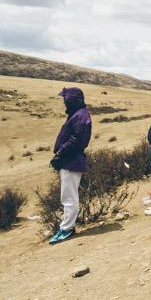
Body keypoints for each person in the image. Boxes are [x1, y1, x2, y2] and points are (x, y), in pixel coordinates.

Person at [48, 87, 92, 245]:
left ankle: (67, 229)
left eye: (67, 100)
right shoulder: (79, 114)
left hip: (72, 160)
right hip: (70, 160)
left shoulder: (80, 116)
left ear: (73, 101)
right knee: (68, 196)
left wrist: (60, 153)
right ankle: (66, 227)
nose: (65, 103)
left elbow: (76, 140)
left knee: (69, 197)